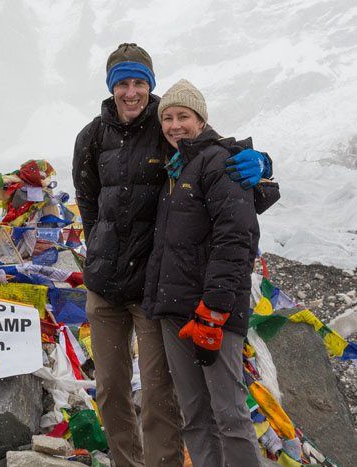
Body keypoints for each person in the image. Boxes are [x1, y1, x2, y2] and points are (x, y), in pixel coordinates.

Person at [72, 43, 272, 467]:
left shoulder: (167, 123)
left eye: (139, 82)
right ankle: (127, 461)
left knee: (161, 395)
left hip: (152, 288)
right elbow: (88, 201)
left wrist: (262, 162)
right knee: (109, 388)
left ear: (150, 86)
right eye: (122, 83)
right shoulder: (91, 137)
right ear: (111, 88)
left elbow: (212, 151)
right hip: (105, 285)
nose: (131, 92)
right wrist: (100, 251)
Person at [143, 79, 269, 466]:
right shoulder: (175, 168)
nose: (174, 125)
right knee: (195, 415)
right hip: (176, 310)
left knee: (229, 414)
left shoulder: (219, 161)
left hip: (213, 312)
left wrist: (213, 310)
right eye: (167, 117)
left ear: (201, 119)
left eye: (183, 116)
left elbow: (236, 240)